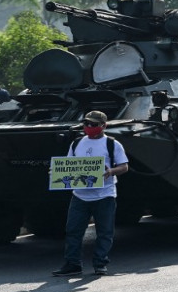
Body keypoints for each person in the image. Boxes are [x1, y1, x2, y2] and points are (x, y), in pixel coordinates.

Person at [53, 111, 129, 276]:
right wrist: (56, 174)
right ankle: (73, 264)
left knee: (104, 232)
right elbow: (69, 165)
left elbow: (124, 166)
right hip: (80, 195)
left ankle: (100, 263)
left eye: (93, 124)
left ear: (103, 126)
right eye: (86, 124)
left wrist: (111, 171)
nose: (89, 127)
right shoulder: (77, 143)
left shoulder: (112, 144)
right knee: (73, 231)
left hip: (104, 195)